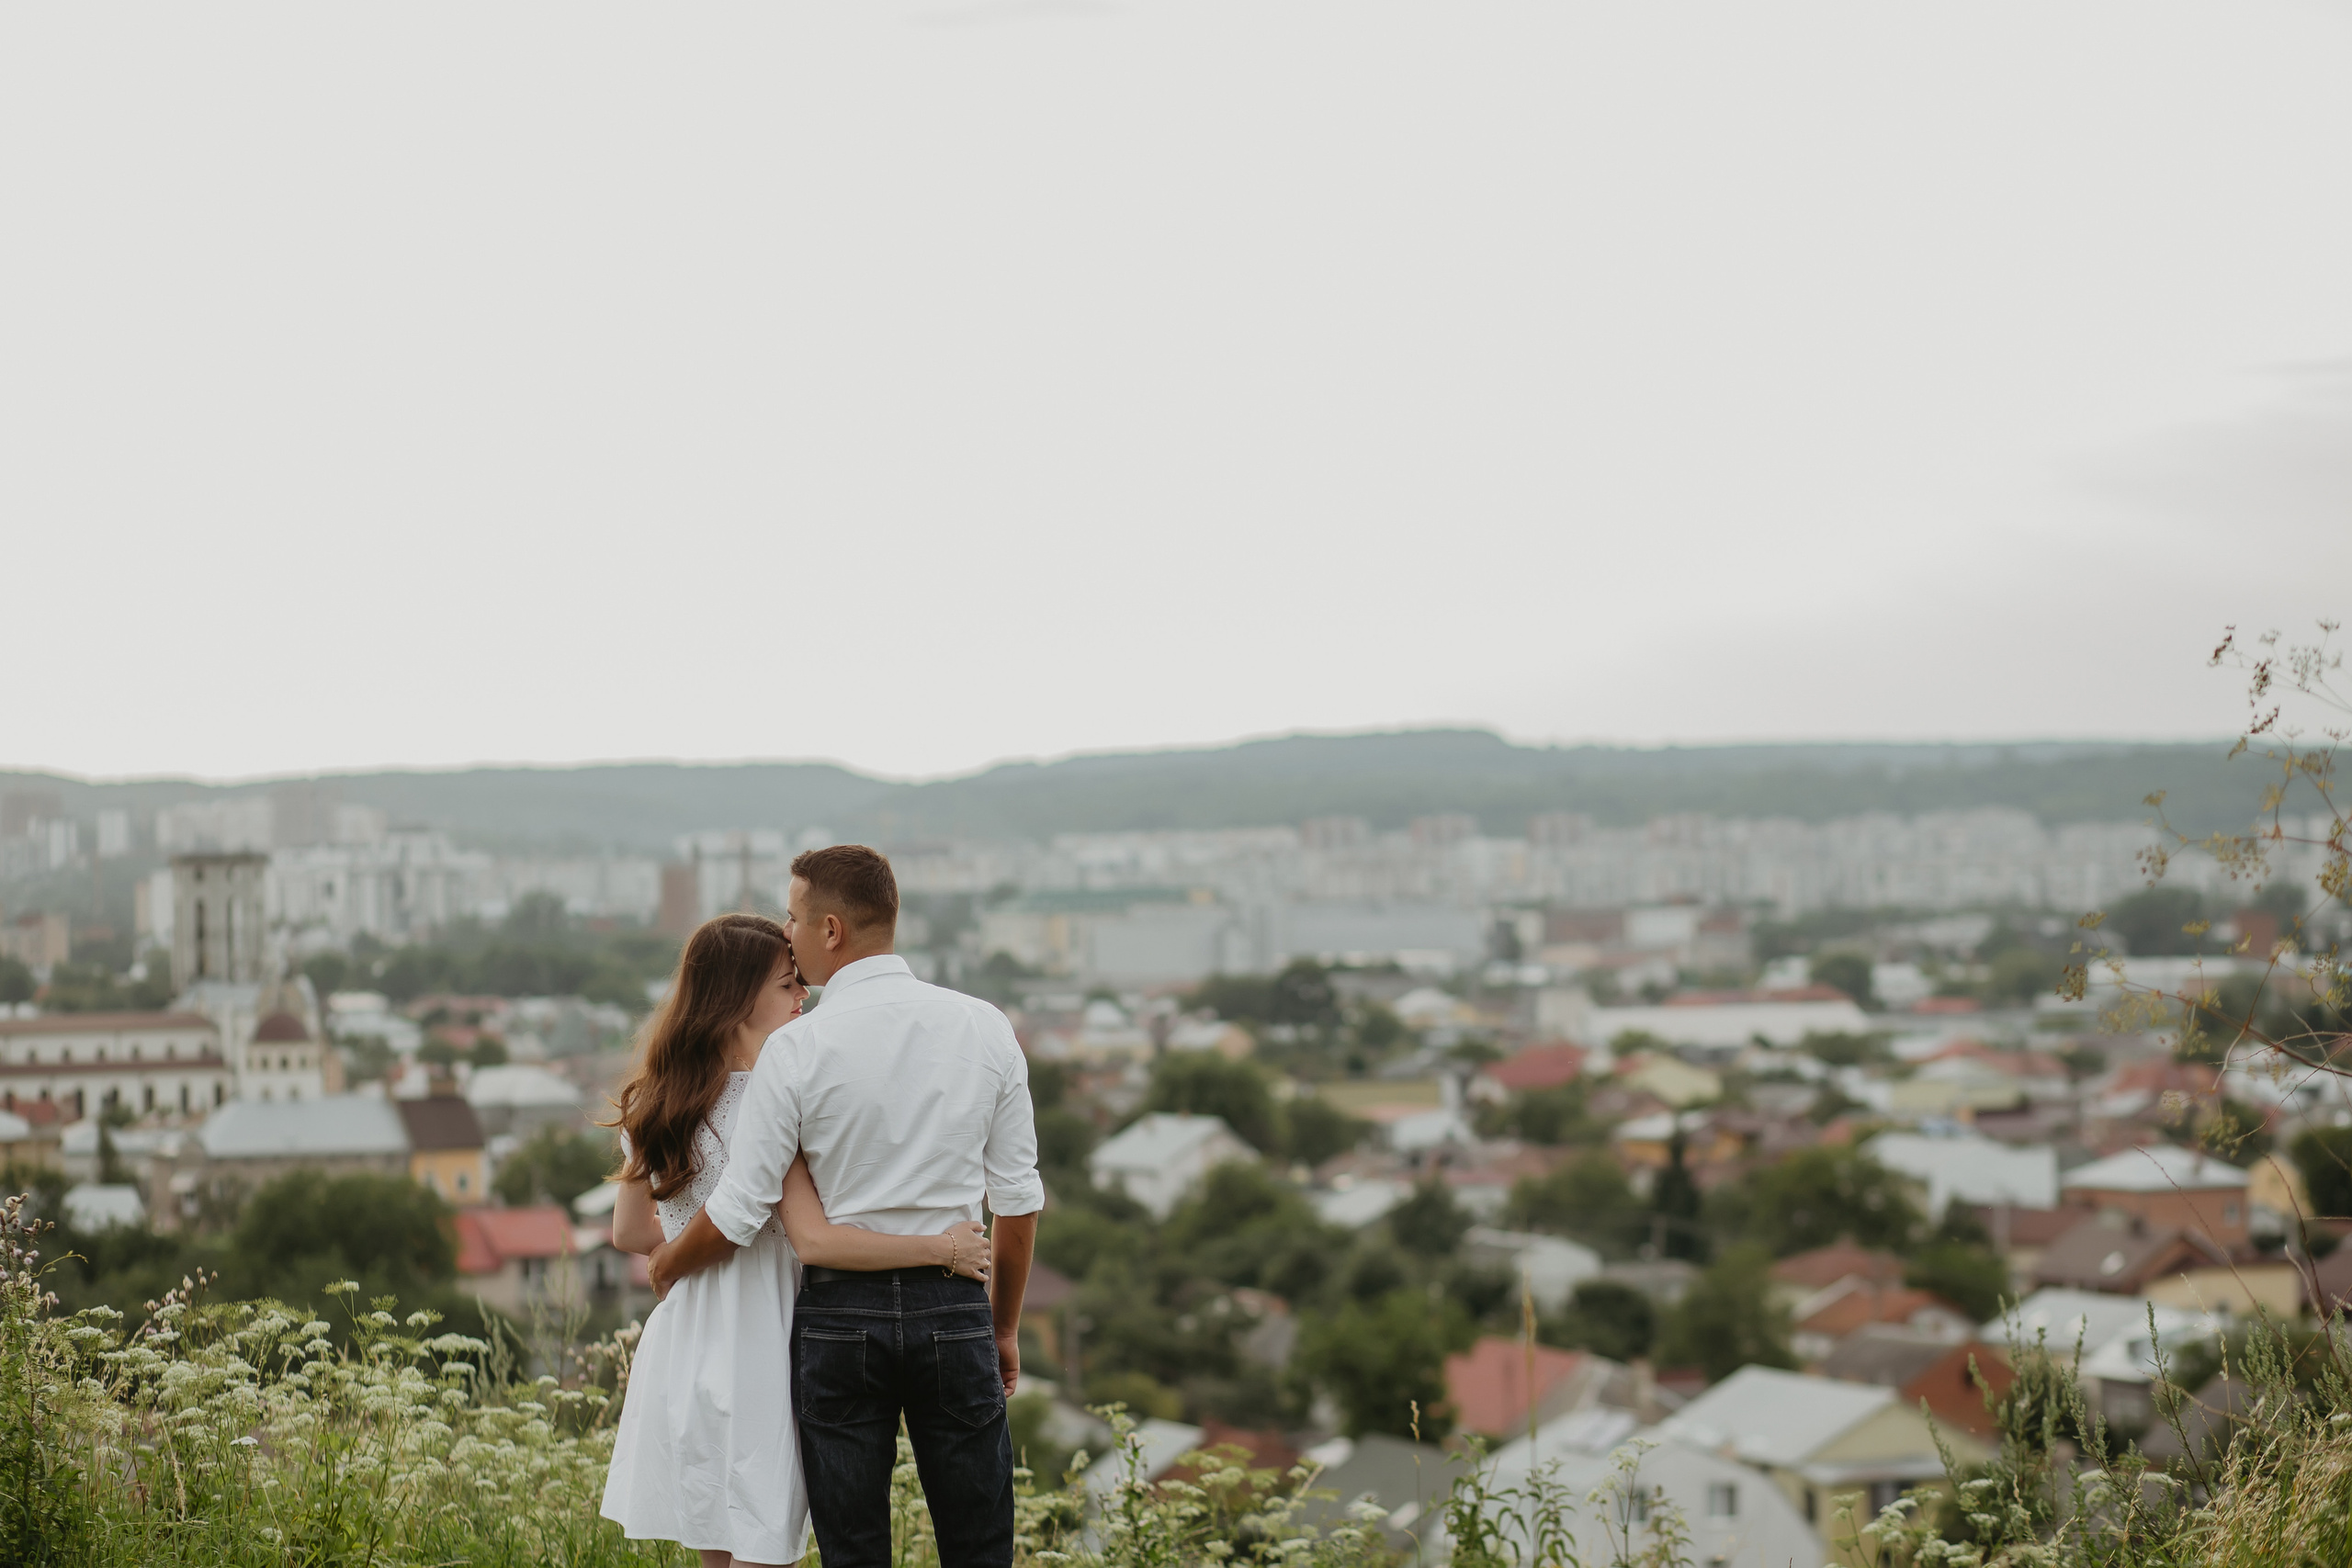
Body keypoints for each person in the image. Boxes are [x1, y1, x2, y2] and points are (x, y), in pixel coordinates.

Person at [650, 845, 1045, 1568]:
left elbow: (741, 1208)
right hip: (954, 1309)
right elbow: (1016, 1205)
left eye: (795, 919)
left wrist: (669, 1261)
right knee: (980, 1544)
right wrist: (1004, 1326)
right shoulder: (984, 1026)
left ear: (831, 929)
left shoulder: (795, 1049)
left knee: (854, 1552)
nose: (790, 939)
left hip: (839, 1320)